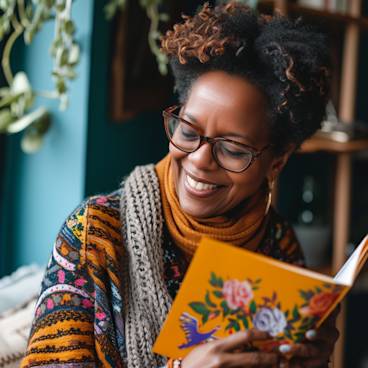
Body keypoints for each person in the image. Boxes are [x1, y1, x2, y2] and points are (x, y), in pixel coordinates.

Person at [21, 2, 339, 367]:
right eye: (188, 131)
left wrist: (311, 360)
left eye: (233, 149)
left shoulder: (278, 244)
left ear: (276, 163)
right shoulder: (95, 235)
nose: (200, 159)